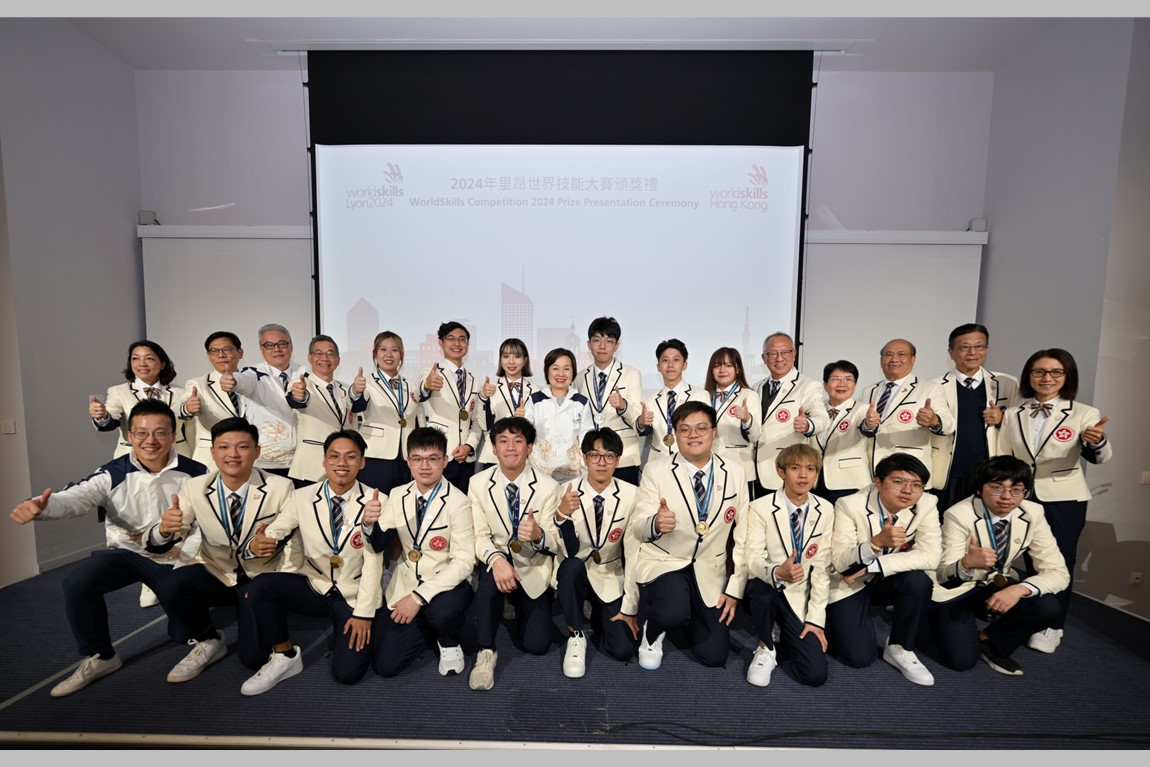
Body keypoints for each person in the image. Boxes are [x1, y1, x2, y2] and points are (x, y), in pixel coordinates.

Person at [10, 400, 207, 697]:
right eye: (141, 433)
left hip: (176, 557)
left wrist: (190, 557)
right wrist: (42, 506)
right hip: (127, 553)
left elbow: (206, 521)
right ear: (129, 436)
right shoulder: (112, 473)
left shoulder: (196, 472)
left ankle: (204, 635)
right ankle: (102, 656)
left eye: (160, 433)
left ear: (173, 434)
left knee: (182, 627)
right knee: (78, 583)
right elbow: (75, 497)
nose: (150, 441)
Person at [147, 417, 297, 683]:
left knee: (254, 659)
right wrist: (164, 530)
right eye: (224, 447)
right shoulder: (195, 487)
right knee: (170, 584)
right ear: (213, 452)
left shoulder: (280, 486)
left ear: (257, 451)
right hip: (216, 571)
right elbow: (173, 532)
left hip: (258, 578)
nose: (233, 454)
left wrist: (267, 553)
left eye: (243, 447)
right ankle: (209, 639)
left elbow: (289, 536)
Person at [242, 430, 385, 695]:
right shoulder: (302, 497)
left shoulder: (378, 501)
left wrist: (364, 614)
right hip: (314, 585)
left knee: (348, 674)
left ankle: (361, 627)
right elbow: (278, 529)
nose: (341, 463)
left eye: (351, 457)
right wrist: (257, 543)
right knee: (261, 586)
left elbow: (375, 561)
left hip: (353, 593)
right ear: (324, 460)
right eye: (334, 456)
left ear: (362, 462)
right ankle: (285, 656)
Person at [996, 348, 1112, 654]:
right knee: (1029, 560)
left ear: (1067, 376)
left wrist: (1097, 441)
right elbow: (1005, 456)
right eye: (1039, 372)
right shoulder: (1014, 414)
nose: (1047, 378)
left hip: (1064, 497)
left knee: (1059, 561)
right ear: (1029, 376)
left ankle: (1053, 625)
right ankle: (1032, 613)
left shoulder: (1084, 413)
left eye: (1056, 372)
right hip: (1022, 496)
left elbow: (1099, 455)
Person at [632, 401, 748, 670]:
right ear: (675, 434)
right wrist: (655, 523)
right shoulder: (656, 470)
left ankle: (688, 610)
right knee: (671, 613)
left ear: (714, 432)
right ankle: (653, 629)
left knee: (714, 656)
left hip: (710, 568)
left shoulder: (736, 472)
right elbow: (638, 526)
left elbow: (744, 535)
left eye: (701, 428)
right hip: (666, 561)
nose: (693, 435)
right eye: (684, 429)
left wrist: (735, 587)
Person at [930, 456, 1068, 676]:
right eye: (996, 488)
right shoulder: (959, 514)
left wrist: (1019, 589)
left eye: (1016, 490)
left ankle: (990, 641)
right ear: (979, 489)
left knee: (1047, 607)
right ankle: (928, 621)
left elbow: (1059, 572)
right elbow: (944, 575)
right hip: (957, 588)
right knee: (962, 660)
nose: (1006, 497)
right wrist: (966, 563)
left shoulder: (1033, 513)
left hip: (995, 583)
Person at [363, 427, 475, 679]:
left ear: (445, 461)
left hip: (447, 582)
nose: (424, 466)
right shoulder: (398, 494)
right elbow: (379, 542)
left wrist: (417, 597)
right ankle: (426, 624)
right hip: (406, 582)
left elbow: (465, 561)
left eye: (433, 458)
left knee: (443, 613)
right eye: (417, 459)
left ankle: (448, 639)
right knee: (385, 666)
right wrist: (369, 524)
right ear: (408, 462)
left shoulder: (459, 501)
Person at [826, 452, 941, 687]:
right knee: (859, 657)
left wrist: (877, 566)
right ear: (878, 482)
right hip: (850, 581)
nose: (908, 490)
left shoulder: (927, 504)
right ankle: (830, 620)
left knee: (919, 581)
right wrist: (875, 543)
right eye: (898, 482)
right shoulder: (849, 505)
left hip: (886, 576)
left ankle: (900, 646)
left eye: (916, 484)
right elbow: (840, 561)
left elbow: (931, 556)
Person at [467, 416, 561, 691]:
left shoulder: (548, 486)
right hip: (497, 557)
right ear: (493, 448)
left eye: (518, 441)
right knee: (487, 587)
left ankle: (517, 601)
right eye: (503, 441)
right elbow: (479, 536)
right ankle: (486, 651)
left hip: (532, 561)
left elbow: (555, 543)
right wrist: (496, 560)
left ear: (529, 447)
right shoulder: (477, 483)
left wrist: (539, 535)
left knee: (538, 645)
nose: (510, 447)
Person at [552, 428, 641, 678]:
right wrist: (562, 515)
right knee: (571, 566)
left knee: (623, 650)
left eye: (609, 456)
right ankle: (576, 633)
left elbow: (633, 553)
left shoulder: (632, 494)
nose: (602, 462)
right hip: (575, 571)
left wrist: (630, 607)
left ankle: (599, 613)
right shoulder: (564, 491)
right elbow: (563, 549)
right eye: (595, 455)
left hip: (610, 573)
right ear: (584, 458)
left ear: (618, 460)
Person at [743, 443, 834, 688]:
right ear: (781, 472)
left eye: (810, 469)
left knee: (814, 675)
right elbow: (752, 558)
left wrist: (815, 619)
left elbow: (822, 569)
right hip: (768, 584)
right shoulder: (760, 507)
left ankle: (784, 626)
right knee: (761, 591)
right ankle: (766, 646)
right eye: (795, 468)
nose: (803, 475)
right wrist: (776, 571)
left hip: (800, 593)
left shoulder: (826, 509)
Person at [929, 324, 1020, 510]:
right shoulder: (933, 386)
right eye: (965, 347)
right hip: (948, 473)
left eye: (979, 346)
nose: (973, 353)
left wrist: (1002, 419)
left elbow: (1021, 427)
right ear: (951, 352)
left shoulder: (1006, 383)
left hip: (991, 474)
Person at [859, 338, 953, 489]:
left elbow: (949, 424)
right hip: (872, 472)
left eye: (901, 354)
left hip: (910, 472)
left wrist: (935, 421)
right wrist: (868, 425)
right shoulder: (869, 391)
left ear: (913, 359)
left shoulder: (929, 388)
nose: (894, 359)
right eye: (888, 354)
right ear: (881, 360)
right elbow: (863, 429)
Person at [222, 323, 307, 478]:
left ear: (291, 346)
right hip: (267, 462)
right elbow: (243, 381)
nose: (277, 349)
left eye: (282, 343)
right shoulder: (254, 373)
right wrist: (233, 381)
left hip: (302, 461)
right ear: (261, 349)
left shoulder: (305, 373)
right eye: (269, 345)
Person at [89, 339, 192, 459]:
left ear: (163, 364)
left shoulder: (181, 393)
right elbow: (110, 421)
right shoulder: (118, 391)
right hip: (133, 457)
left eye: (149, 358)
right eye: (135, 358)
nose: (142, 364)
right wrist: (102, 416)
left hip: (176, 456)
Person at [752, 332, 825, 498]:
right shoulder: (756, 387)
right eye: (772, 354)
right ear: (764, 358)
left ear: (794, 354)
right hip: (756, 471)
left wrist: (808, 425)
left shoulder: (808, 385)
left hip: (787, 470)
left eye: (785, 352)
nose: (779, 359)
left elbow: (821, 418)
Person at [575, 317, 643, 485]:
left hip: (624, 457)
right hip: (591, 458)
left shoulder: (631, 374)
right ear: (589, 344)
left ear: (616, 346)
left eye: (609, 341)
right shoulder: (579, 377)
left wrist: (623, 405)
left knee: (625, 501)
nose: (602, 346)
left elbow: (637, 418)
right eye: (597, 340)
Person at [351, 330, 418, 494]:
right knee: (374, 501)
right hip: (376, 455)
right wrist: (356, 392)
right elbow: (358, 405)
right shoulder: (366, 383)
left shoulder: (410, 385)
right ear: (375, 354)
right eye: (383, 349)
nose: (389, 354)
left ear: (401, 355)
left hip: (405, 456)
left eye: (394, 350)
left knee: (401, 502)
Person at [418, 321, 482, 492]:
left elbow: (477, 421)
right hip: (438, 453)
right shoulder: (431, 372)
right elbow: (422, 391)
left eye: (462, 339)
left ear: (467, 343)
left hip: (465, 458)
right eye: (451, 338)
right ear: (441, 342)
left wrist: (469, 446)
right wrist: (427, 385)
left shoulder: (474, 380)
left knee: (462, 504)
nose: (457, 343)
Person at [283, 335, 356, 485]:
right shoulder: (301, 384)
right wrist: (299, 395)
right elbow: (298, 399)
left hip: (342, 469)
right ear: (309, 358)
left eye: (330, 353)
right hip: (311, 468)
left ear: (338, 360)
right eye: (318, 353)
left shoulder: (346, 389)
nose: (324, 358)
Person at [524, 347, 594, 484]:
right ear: (547, 371)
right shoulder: (534, 400)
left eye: (566, 369)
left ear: (573, 372)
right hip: (539, 475)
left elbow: (587, 438)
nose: (561, 374)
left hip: (574, 475)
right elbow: (525, 436)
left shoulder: (581, 402)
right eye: (555, 368)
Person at [179, 331, 249, 467]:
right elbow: (180, 408)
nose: (221, 355)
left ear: (240, 353)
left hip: (248, 456)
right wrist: (187, 408)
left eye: (227, 349)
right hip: (211, 458)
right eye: (214, 351)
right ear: (208, 356)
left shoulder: (252, 382)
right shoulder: (198, 384)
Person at [637, 339, 708, 465]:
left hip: (690, 462)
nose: (670, 365)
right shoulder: (650, 401)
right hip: (658, 463)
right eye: (665, 360)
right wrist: (641, 424)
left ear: (684, 365)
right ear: (658, 367)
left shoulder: (700, 395)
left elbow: (707, 432)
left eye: (676, 360)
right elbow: (643, 431)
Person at [704, 347, 760, 498]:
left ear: (738, 369)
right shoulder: (704, 395)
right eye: (717, 366)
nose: (722, 370)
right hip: (708, 465)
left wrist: (747, 419)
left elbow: (755, 436)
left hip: (739, 466)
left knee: (740, 511)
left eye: (728, 365)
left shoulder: (749, 395)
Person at [815, 360, 873, 504]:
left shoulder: (862, 409)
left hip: (849, 482)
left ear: (855, 384)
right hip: (815, 481)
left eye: (848, 379)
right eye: (835, 379)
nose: (842, 384)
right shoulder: (815, 409)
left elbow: (866, 425)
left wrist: (870, 423)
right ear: (825, 385)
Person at [476, 337, 538, 469]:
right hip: (495, 457)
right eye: (506, 356)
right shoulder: (490, 388)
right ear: (500, 360)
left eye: (517, 356)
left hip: (527, 457)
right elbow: (485, 425)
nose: (511, 361)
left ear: (525, 360)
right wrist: (483, 397)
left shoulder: (537, 391)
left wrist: (527, 418)